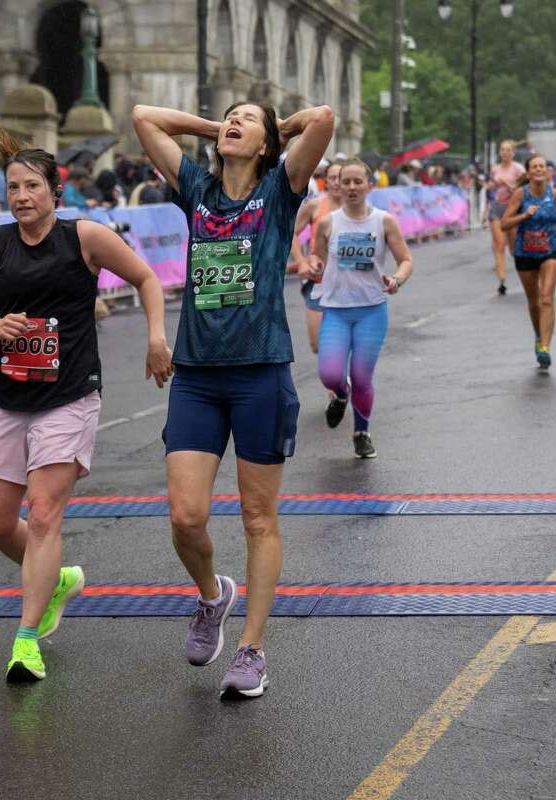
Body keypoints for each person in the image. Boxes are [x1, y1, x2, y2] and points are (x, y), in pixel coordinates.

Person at [133, 98, 333, 700]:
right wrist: (214, 128)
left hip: (259, 373)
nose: (234, 123)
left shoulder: (279, 191)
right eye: (230, 116)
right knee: (185, 516)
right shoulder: (195, 185)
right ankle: (212, 596)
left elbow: (322, 119)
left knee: (256, 517)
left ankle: (252, 650)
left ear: (269, 145)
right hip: (196, 374)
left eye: (248, 119)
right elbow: (144, 117)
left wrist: (279, 130)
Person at [0, 133, 173, 683]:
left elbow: (147, 278)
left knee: (46, 514)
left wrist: (156, 338)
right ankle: (55, 579)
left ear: (56, 190)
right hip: (7, 394)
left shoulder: (85, 237)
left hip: (70, 393)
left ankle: (26, 639)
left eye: (32, 186)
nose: (21, 196)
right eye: (12, 187)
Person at [306, 159, 413, 457]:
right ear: (336, 185)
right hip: (337, 310)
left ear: (369, 184)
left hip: (371, 311)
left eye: (357, 181)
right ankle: (340, 394)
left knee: (362, 376)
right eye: (345, 181)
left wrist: (397, 279)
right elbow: (318, 260)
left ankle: (361, 432)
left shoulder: (383, 221)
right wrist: (314, 266)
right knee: (329, 373)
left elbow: (406, 259)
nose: (351, 187)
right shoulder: (328, 223)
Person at [500, 153, 556, 369]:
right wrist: (524, 216)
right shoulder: (520, 194)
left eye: (542, 166)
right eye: (534, 167)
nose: (539, 169)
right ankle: (539, 336)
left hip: (550, 251)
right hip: (525, 252)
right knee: (534, 301)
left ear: (547, 172)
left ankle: (546, 347)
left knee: (547, 298)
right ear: (528, 173)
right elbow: (504, 224)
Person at [290, 160, 343, 355]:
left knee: (344, 342)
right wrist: (302, 261)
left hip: (349, 282)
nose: (337, 182)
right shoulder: (315, 206)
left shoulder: (357, 207)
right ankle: (339, 381)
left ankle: (341, 382)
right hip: (318, 281)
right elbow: (291, 233)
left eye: (341, 178)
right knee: (318, 345)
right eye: (332, 178)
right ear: (326, 181)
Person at [485, 141, 525, 296]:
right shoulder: (495, 169)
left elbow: (521, 189)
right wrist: (491, 184)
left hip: (512, 209)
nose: (505, 153)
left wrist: (507, 184)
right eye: (502, 150)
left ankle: (521, 265)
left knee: (514, 247)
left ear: (513, 153)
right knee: (499, 245)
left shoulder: (518, 169)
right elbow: (489, 186)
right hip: (497, 207)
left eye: (508, 150)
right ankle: (502, 281)